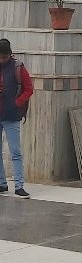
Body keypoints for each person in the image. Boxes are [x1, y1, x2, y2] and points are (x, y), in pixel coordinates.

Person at [0, 39, 33, 199]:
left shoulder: (17, 67)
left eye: (4, 57)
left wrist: (16, 103)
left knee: (15, 151)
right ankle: (1, 183)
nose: (2, 60)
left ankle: (19, 185)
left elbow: (29, 89)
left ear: (9, 54)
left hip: (12, 116)